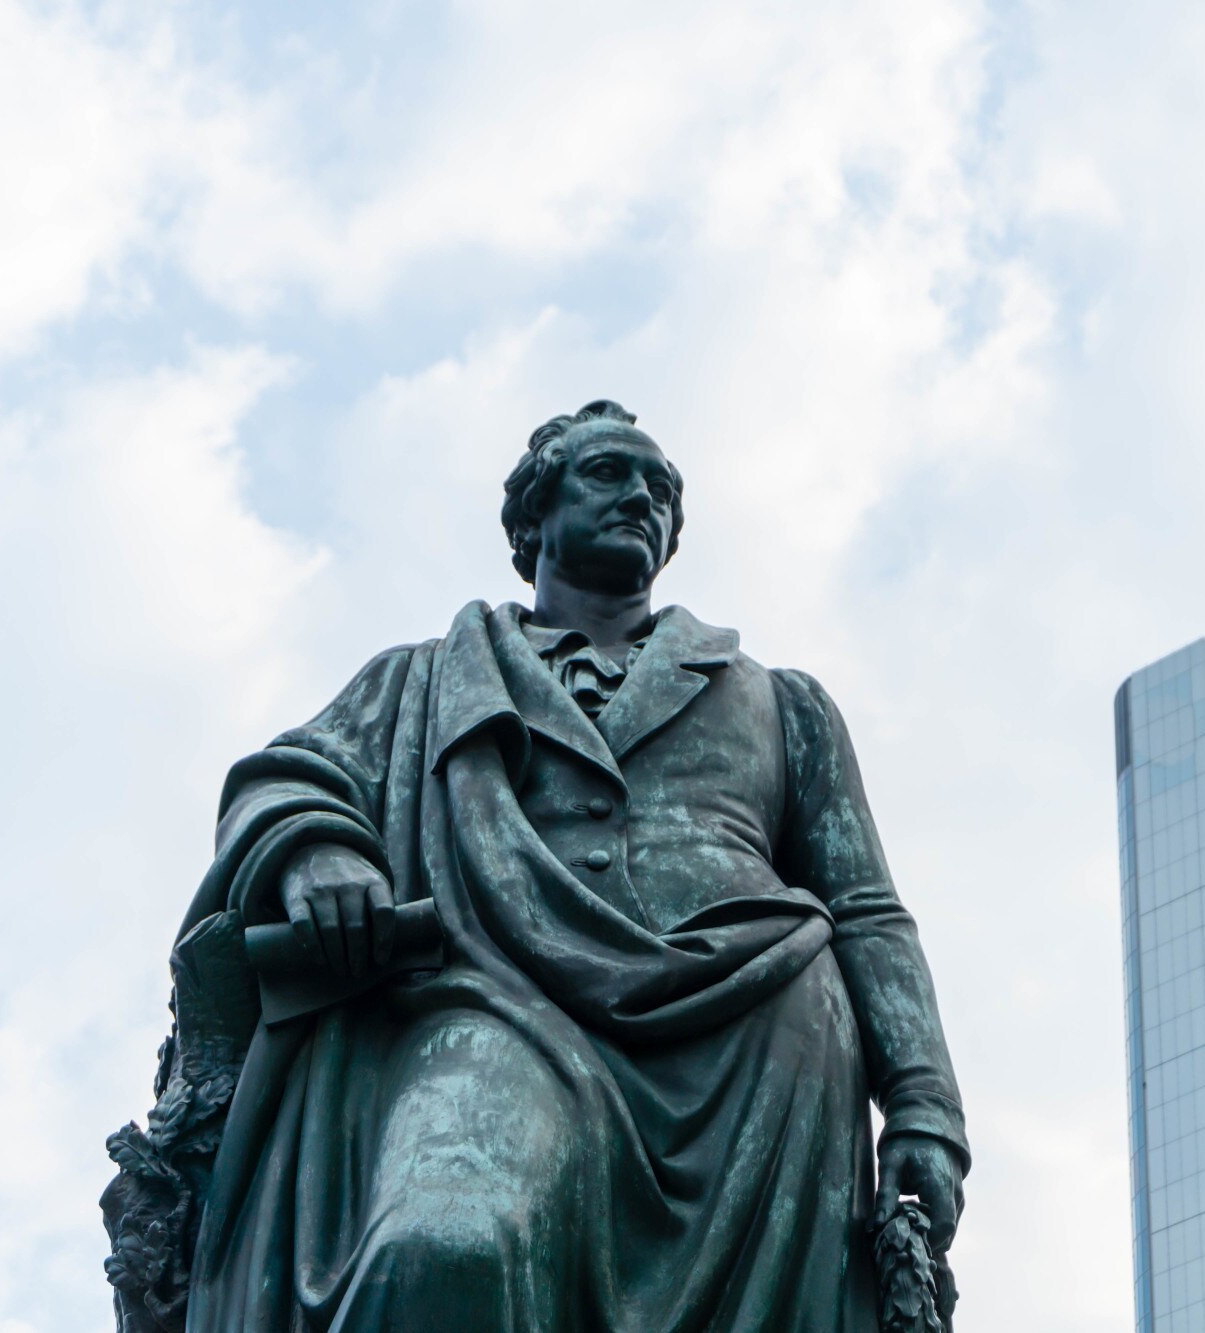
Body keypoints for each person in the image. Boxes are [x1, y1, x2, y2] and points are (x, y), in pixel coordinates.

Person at [104, 401, 967, 1332]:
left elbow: (870, 910)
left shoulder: (784, 702)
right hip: (497, 1003)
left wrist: (922, 1103)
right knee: (441, 1245)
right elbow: (283, 781)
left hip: (756, 1045)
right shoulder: (425, 678)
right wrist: (321, 850)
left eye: (661, 488)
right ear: (533, 518)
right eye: (608, 473)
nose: (641, 495)